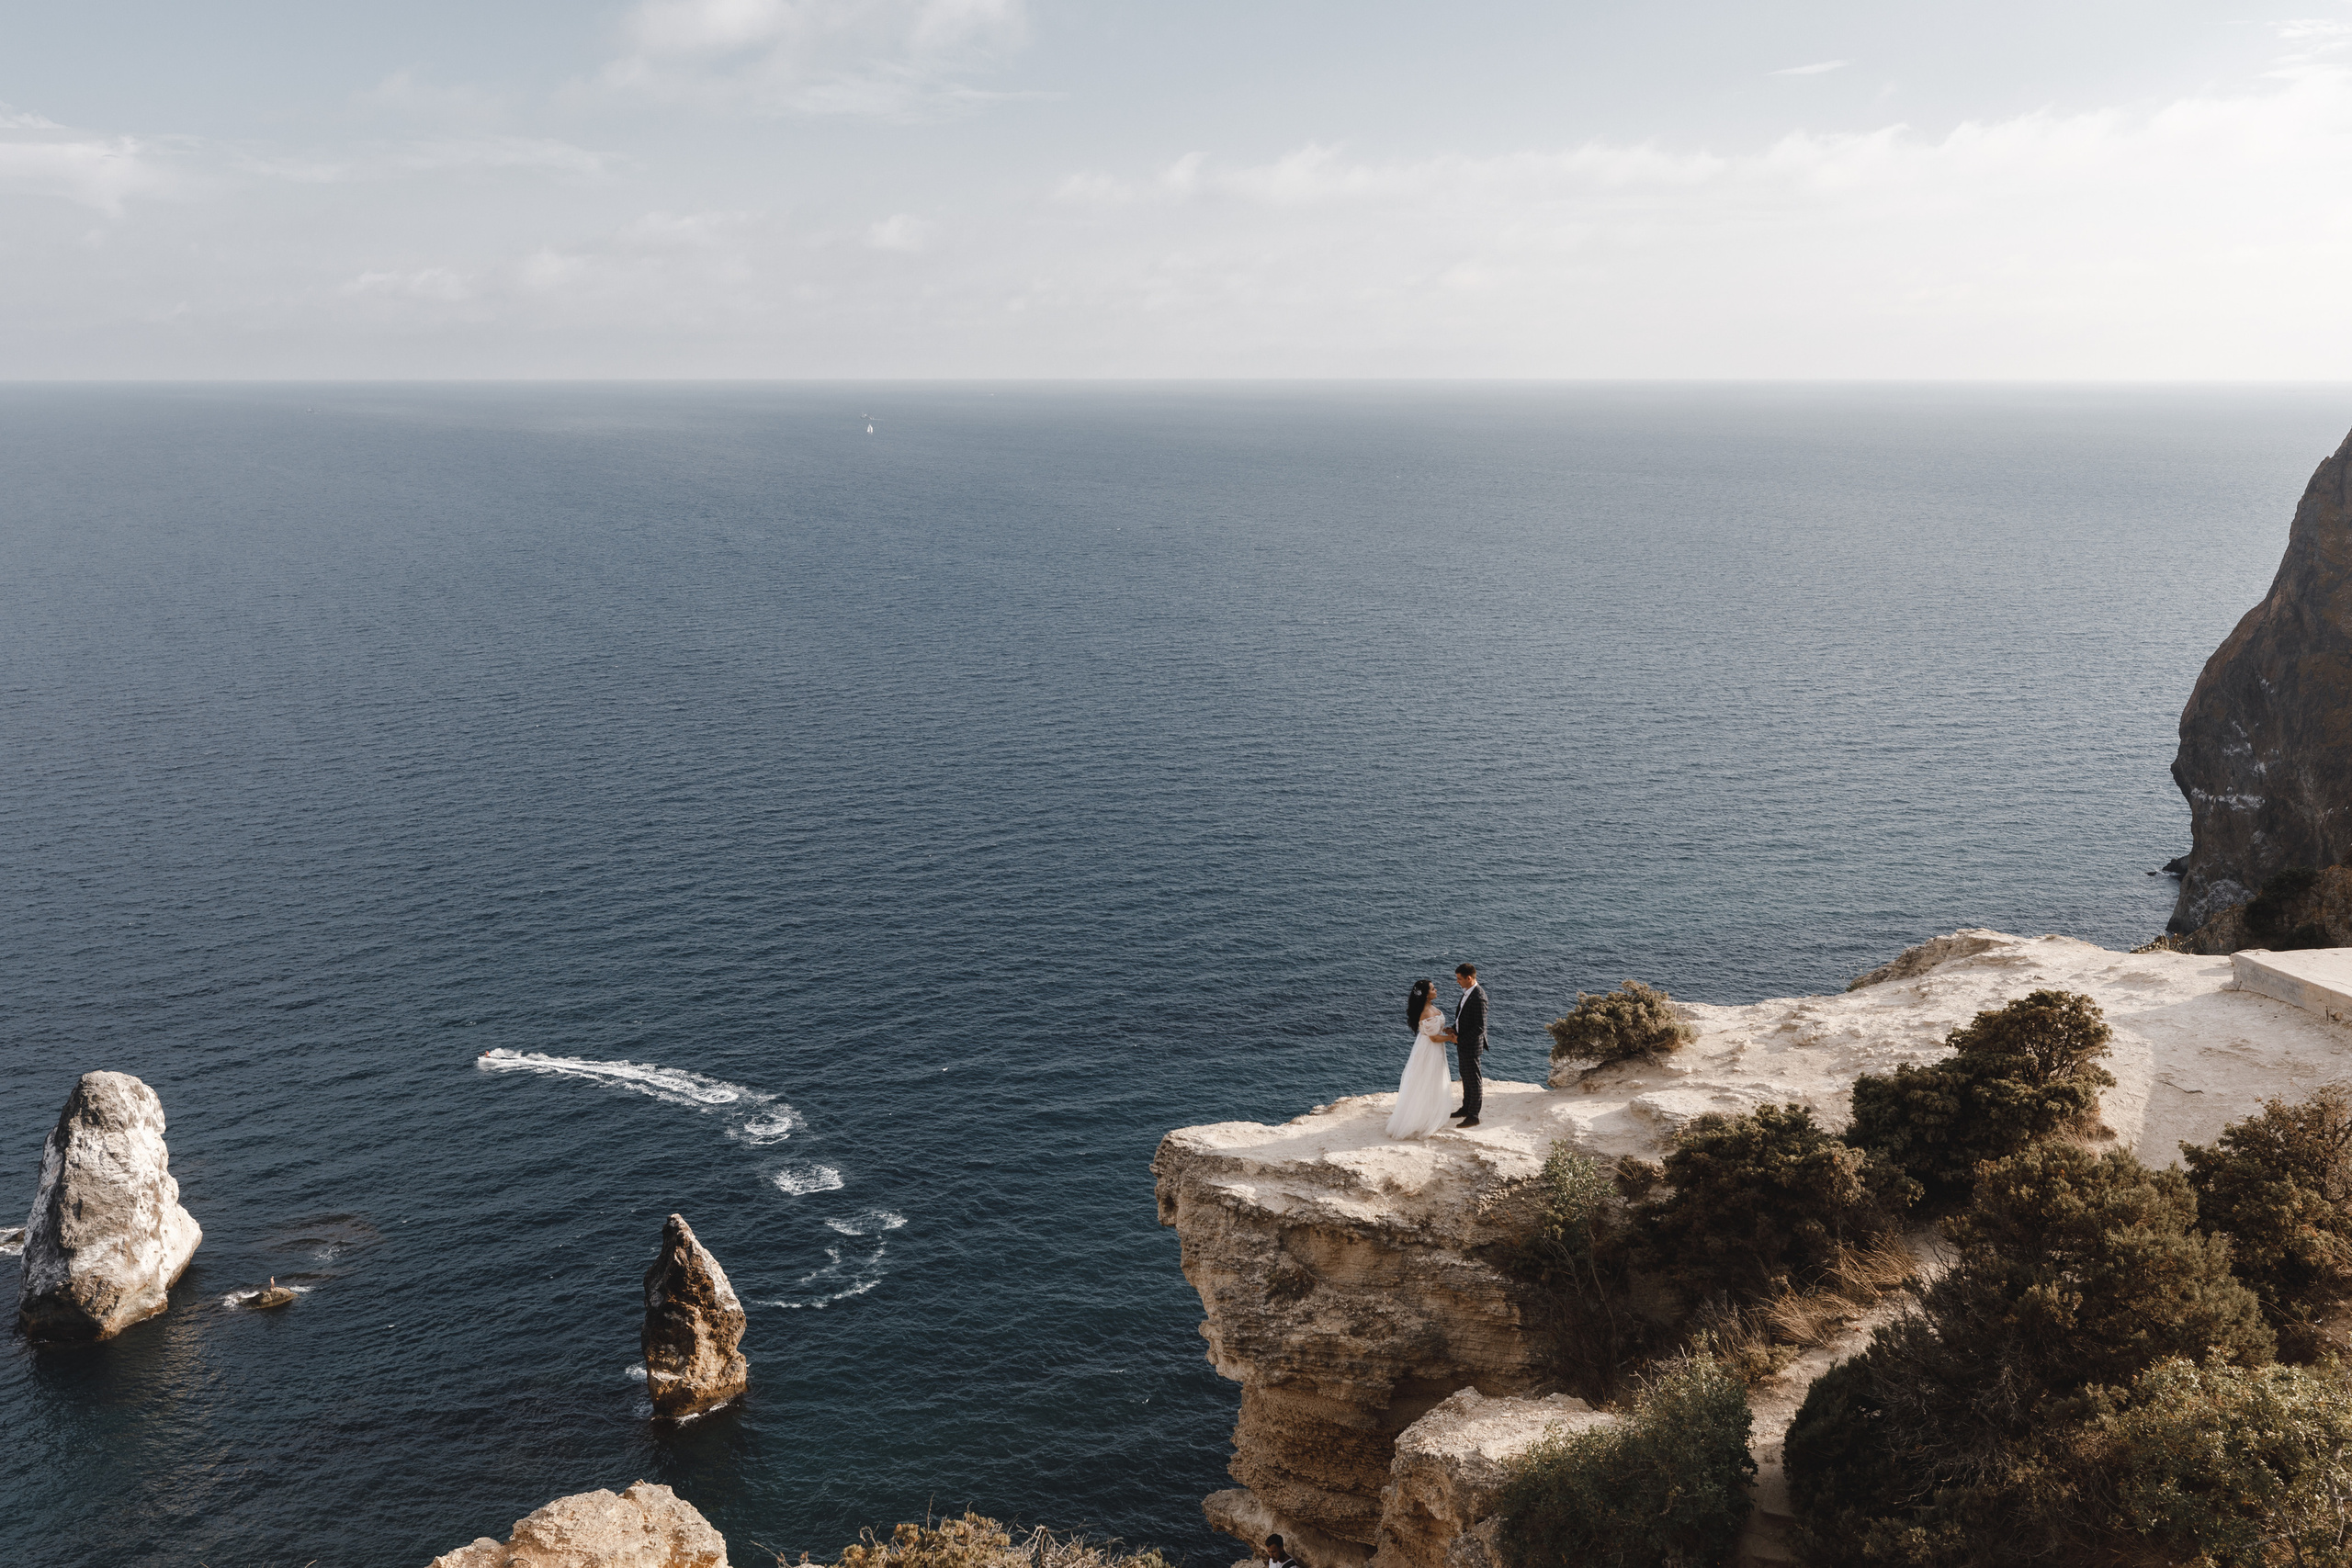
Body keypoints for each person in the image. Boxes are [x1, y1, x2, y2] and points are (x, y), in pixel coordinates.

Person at [1385, 978, 1455, 1139]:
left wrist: (1445, 1030)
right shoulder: (1425, 1012)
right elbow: (1434, 1038)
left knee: (1431, 1080)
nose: (1436, 990)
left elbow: (1435, 1030)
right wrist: (1451, 1038)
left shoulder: (1430, 1008)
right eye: (1432, 989)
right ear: (1425, 995)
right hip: (1429, 1050)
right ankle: (1422, 1119)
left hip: (1431, 1048)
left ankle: (1428, 1114)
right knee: (1427, 1081)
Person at [1451, 963, 1487, 1127]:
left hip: (1470, 1045)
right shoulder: (1468, 992)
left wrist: (1460, 1039)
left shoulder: (1478, 997)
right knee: (1465, 1076)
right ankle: (1466, 1108)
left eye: (1459, 979)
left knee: (1474, 1080)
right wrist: (1453, 1029)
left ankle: (1474, 1116)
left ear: (1469, 978)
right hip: (1463, 1043)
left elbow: (1480, 1027)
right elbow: (1464, 1018)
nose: (1457, 981)